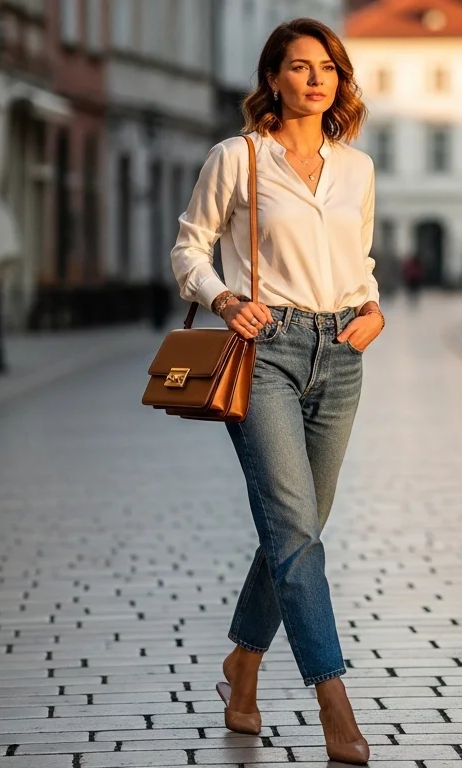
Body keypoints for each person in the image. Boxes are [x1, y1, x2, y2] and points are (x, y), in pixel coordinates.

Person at [169, 17, 382, 766]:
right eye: (298, 66)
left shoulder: (355, 168)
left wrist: (373, 308)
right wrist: (226, 300)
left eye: (326, 66)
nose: (315, 77)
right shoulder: (238, 158)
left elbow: (359, 258)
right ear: (273, 80)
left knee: (299, 530)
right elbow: (189, 246)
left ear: (339, 78)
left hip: (342, 354)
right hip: (263, 352)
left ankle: (244, 669)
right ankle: (334, 703)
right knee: (295, 531)